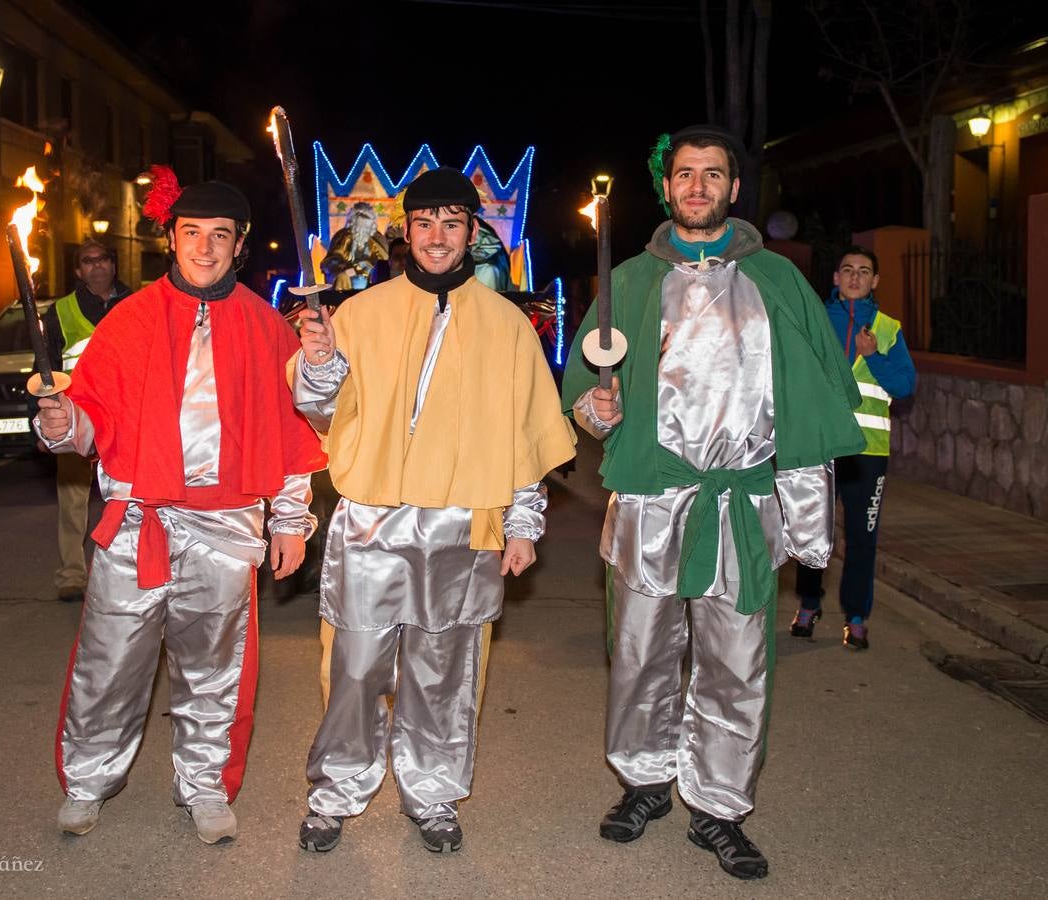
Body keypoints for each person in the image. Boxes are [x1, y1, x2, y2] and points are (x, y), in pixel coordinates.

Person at [562, 125, 864, 880]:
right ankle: (642, 782)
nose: (696, 186)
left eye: (712, 174)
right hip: (651, 504)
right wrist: (595, 411)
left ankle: (720, 807)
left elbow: (815, 393)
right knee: (639, 657)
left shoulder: (778, 282)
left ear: (734, 188)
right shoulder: (627, 282)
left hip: (741, 502)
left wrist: (804, 507)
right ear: (666, 187)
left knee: (735, 664)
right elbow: (584, 394)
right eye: (684, 174)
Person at [33, 169, 326, 845]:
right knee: (109, 662)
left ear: (239, 246)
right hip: (136, 522)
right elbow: (88, 422)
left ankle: (203, 787)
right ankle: (87, 782)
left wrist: (289, 523)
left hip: (226, 526)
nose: (204, 247)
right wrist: (58, 418)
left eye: (219, 236)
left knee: (215, 670)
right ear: (170, 238)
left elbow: (292, 436)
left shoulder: (265, 327)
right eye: (191, 233)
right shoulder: (127, 321)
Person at [292, 167, 576, 854]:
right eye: (424, 223)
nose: (437, 236)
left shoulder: (508, 324)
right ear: (405, 233)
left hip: (462, 522)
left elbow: (524, 433)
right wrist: (320, 364)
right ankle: (336, 790)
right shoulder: (357, 314)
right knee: (354, 667)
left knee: (445, 673)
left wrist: (523, 524)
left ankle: (433, 793)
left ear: (473, 234)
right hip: (371, 520)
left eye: (451, 223)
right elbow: (322, 413)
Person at [792, 247, 916, 649]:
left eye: (864, 271)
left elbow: (904, 385)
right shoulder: (816, 322)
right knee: (813, 532)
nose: (855, 277)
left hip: (868, 451)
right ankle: (809, 605)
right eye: (847, 270)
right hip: (821, 445)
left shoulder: (888, 328)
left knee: (862, 536)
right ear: (835, 277)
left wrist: (873, 356)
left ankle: (857, 615)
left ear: (875, 281)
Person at [40, 239, 131, 603]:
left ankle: (125, 570)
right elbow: (44, 365)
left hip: (126, 414)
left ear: (113, 264)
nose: (96, 266)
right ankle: (72, 575)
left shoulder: (136, 304)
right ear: (78, 270)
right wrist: (45, 416)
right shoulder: (60, 311)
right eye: (88, 261)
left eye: (103, 258)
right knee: (73, 498)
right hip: (75, 415)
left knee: (128, 496)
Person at [320, 200, 389, 289]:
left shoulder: (376, 239)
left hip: (369, 273)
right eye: (359, 227)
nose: (361, 232)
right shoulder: (343, 236)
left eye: (366, 228)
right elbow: (333, 258)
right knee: (342, 276)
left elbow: (383, 261)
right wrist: (350, 267)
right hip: (349, 271)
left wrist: (369, 265)